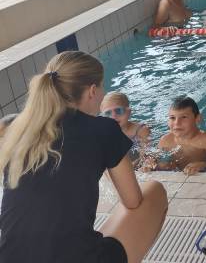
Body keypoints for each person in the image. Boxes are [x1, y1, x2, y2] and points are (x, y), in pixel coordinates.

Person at [0, 51, 167, 263]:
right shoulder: (103, 129)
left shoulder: (20, 131)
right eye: (102, 88)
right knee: (154, 191)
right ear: (92, 91)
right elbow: (133, 201)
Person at [145, 96, 206, 176]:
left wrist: (203, 165)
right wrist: (149, 162)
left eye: (184, 117)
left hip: (200, 174)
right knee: (162, 165)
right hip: (177, 173)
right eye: (172, 118)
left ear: (197, 119)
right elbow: (154, 155)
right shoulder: (166, 140)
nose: (177, 123)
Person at [100, 91, 150, 166]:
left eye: (118, 110)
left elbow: (146, 154)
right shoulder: (104, 135)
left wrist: (131, 166)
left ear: (129, 112)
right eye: (108, 113)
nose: (113, 116)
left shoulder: (141, 130)